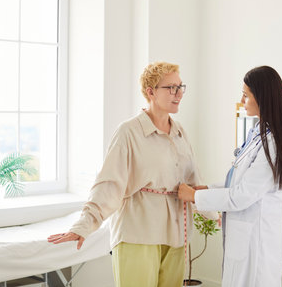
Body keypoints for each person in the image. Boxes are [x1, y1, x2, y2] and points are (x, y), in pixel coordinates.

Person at [48, 62, 216, 287]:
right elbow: (108, 185)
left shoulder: (179, 133)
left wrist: (217, 215)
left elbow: (194, 184)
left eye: (180, 87)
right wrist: (83, 225)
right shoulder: (128, 132)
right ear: (151, 92)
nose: (178, 93)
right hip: (138, 233)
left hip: (176, 236)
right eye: (171, 88)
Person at [178, 65, 282, 287]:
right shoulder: (259, 133)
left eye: (245, 95)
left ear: (262, 98)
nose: (241, 100)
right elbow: (237, 181)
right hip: (246, 238)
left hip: (256, 243)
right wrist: (206, 189)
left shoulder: (272, 144)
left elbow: (241, 196)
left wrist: (194, 197)